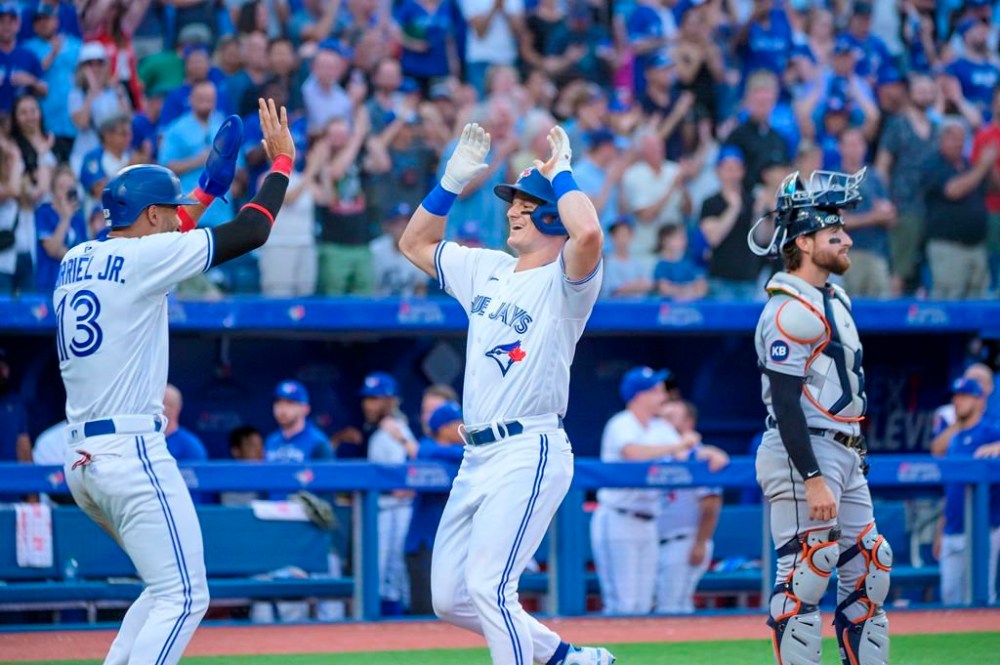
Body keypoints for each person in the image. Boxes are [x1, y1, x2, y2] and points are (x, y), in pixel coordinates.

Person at [57, 98, 294, 665]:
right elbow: (251, 231)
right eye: (169, 208)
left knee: (162, 588)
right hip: (130, 452)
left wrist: (208, 188)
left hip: (83, 458)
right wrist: (281, 164)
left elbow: (161, 237)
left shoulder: (76, 257)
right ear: (150, 217)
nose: (177, 213)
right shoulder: (143, 258)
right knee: (187, 596)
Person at [399, 123, 615, 664]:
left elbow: (588, 235)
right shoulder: (488, 269)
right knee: (449, 597)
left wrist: (562, 172)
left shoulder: (566, 280)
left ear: (551, 214)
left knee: (491, 589)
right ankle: (568, 659)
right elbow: (414, 242)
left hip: (529, 446)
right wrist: (450, 180)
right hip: (477, 454)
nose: (513, 210)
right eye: (512, 202)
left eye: (525, 202)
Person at [748, 167, 891, 665]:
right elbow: (786, 403)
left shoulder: (833, 296)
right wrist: (812, 477)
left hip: (845, 448)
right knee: (805, 576)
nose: (847, 239)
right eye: (835, 234)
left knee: (871, 569)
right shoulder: (787, 308)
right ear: (805, 243)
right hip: (803, 451)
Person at [591, 366, 697, 616]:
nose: (663, 396)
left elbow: (686, 453)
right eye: (657, 391)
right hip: (618, 517)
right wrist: (677, 444)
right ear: (640, 395)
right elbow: (632, 453)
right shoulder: (621, 424)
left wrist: (712, 454)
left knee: (641, 604)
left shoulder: (661, 428)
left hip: (649, 521)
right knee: (623, 604)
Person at [931, 377, 1000, 606]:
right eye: (956, 396)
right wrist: (940, 529)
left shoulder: (990, 431)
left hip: (982, 529)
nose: (957, 401)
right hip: (952, 528)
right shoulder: (955, 438)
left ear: (979, 400)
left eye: (964, 396)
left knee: (981, 596)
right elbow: (949, 487)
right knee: (950, 596)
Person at [655, 399, 726, 614]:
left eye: (670, 418)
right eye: (661, 418)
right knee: (665, 605)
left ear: (688, 423)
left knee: (672, 607)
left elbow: (711, 503)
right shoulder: (662, 453)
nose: (663, 423)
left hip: (684, 541)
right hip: (656, 542)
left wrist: (700, 543)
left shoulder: (701, 456)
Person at [362, 371, 419, 615]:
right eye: (368, 398)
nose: (369, 404)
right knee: (383, 569)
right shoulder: (384, 432)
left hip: (396, 509)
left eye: (376, 398)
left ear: (390, 400)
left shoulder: (395, 431)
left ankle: (393, 622)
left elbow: (404, 479)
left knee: (390, 568)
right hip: (383, 507)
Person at [405, 400, 465, 615]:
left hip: (456, 542)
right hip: (423, 544)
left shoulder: (465, 453)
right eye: (456, 423)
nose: (463, 427)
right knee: (425, 612)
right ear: (442, 428)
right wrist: (469, 449)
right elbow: (424, 451)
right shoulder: (428, 448)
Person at [264, 380, 333, 465]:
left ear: (305, 409)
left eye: (290, 403)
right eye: (278, 403)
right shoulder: (271, 441)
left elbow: (327, 476)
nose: (282, 409)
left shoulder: (318, 443)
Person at [163, 384, 208, 462]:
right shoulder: (148, 440)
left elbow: (200, 472)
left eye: (163, 404)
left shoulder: (190, 445)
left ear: (174, 408)